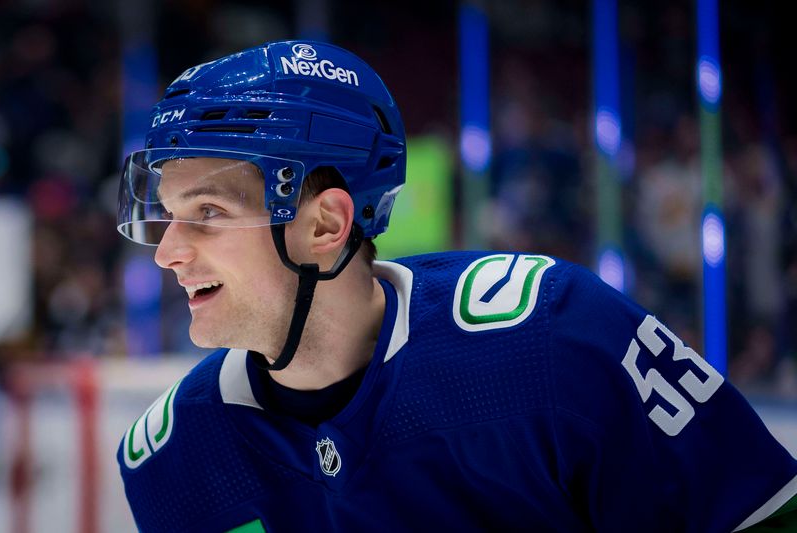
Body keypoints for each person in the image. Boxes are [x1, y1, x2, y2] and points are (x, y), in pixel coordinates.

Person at [116, 40, 797, 533]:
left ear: (326, 223)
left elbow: (759, 511)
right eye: (169, 215)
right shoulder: (174, 461)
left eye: (207, 212)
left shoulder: (553, 338)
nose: (169, 252)